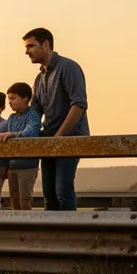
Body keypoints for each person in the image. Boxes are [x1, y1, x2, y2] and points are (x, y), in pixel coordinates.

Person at [23, 28, 90, 211]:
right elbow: (34, 114)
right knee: (49, 196)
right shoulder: (39, 78)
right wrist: (18, 133)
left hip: (70, 137)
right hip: (48, 140)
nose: (27, 51)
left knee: (63, 192)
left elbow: (79, 105)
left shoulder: (68, 67)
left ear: (46, 44)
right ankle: (53, 238)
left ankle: (72, 236)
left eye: (31, 46)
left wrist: (59, 137)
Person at [0, 82, 42, 210]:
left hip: (27, 166)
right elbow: (4, 142)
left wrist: (14, 134)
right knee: (14, 201)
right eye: (9, 99)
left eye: (13, 98)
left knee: (24, 202)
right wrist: (4, 164)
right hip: (12, 165)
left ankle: (28, 229)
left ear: (25, 99)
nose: (10, 102)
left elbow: (31, 132)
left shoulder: (32, 115)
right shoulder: (12, 118)